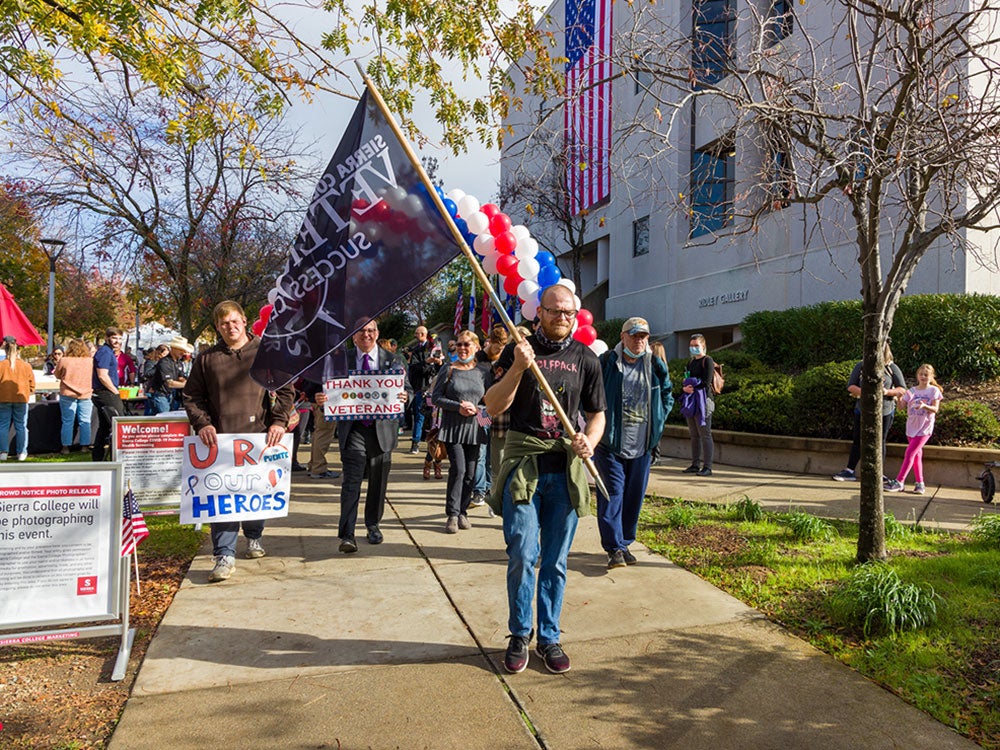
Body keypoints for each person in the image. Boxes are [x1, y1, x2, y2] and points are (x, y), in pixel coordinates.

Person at [485, 284, 606, 675]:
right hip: (525, 464)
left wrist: (590, 439)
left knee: (555, 560)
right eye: (553, 311)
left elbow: (597, 413)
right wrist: (519, 366)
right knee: (523, 552)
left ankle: (549, 638)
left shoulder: (586, 358)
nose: (561, 318)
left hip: (564, 470)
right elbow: (493, 405)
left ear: (576, 314)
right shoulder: (518, 351)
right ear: (539, 313)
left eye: (568, 312)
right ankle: (520, 633)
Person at [183, 300, 295, 583]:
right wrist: (202, 422)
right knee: (222, 500)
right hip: (219, 442)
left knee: (255, 493)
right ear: (218, 327)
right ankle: (224, 554)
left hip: (258, 437)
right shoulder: (206, 359)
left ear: (244, 321)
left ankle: (254, 536)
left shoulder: (266, 352)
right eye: (223, 323)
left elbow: (285, 390)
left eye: (234, 321)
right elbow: (191, 396)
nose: (230, 327)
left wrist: (278, 421)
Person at [595, 317, 674, 570]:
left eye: (643, 336)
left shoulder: (654, 364)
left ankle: (625, 542)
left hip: (642, 445)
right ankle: (613, 548)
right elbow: (591, 392)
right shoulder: (607, 362)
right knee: (613, 494)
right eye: (634, 335)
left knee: (633, 496)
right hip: (610, 443)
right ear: (623, 337)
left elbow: (667, 393)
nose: (639, 340)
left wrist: (660, 419)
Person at [334, 317, 410, 553]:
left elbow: (407, 389)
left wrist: (406, 397)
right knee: (351, 482)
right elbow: (327, 387)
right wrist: (323, 399)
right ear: (353, 336)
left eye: (370, 330)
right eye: (360, 331)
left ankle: (373, 524)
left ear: (377, 333)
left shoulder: (393, 359)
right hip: (353, 428)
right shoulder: (341, 359)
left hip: (382, 430)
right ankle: (347, 534)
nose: (366, 335)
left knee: (378, 483)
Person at [432, 329, 491, 533]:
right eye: (459, 344)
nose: (463, 348)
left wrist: (482, 417)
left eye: (467, 344)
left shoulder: (484, 372)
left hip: (475, 430)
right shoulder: (448, 369)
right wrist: (457, 407)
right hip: (453, 429)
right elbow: (435, 398)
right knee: (459, 469)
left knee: (472, 474)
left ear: (477, 347)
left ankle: (463, 511)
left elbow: (490, 402)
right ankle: (452, 514)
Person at [832, 343, 907, 482]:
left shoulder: (891, 368)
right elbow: (851, 386)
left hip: (885, 410)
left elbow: (902, 389)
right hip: (862, 409)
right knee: (858, 439)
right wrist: (867, 393)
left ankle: (878, 472)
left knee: (880, 441)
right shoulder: (861, 366)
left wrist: (886, 392)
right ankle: (850, 470)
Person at [885, 364, 943, 495]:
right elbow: (901, 407)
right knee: (916, 456)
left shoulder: (933, 391)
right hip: (911, 427)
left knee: (910, 453)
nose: (923, 376)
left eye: (926, 374)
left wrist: (924, 406)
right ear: (917, 375)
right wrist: (899, 397)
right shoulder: (912, 391)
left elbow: (935, 409)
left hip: (924, 428)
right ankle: (920, 484)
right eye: (921, 374)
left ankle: (900, 481)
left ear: (931, 377)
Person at [680, 333, 717, 477]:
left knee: (705, 434)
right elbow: (686, 379)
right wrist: (684, 388)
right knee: (694, 435)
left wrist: (693, 387)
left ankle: (707, 466)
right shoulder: (690, 362)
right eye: (691, 346)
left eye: (696, 345)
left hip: (704, 402)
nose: (693, 348)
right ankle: (695, 464)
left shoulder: (707, 360)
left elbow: (706, 382)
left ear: (703, 346)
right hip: (691, 401)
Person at [405, 325, 442, 454]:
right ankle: (415, 443)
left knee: (435, 417)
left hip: (434, 387)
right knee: (419, 415)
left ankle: (433, 445)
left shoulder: (435, 348)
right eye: (416, 333)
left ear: (424, 334)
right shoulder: (416, 351)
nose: (416, 336)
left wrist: (438, 363)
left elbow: (440, 370)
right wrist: (426, 362)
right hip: (421, 387)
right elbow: (414, 368)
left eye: (418, 333)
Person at [91, 327, 126, 461]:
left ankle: (98, 457)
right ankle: (116, 457)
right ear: (107, 338)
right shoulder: (105, 352)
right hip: (106, 393)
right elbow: (102, 375)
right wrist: (115, 392)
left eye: (119, 338)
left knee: (105, 427)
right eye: (114, 338)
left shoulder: (107, 352)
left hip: (103, 392)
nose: (117, 341)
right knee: (119, 424)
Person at [54, 338, 94, 454]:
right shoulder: (90, 361)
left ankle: (65, 447)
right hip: (86, 393)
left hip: (67, 393)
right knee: (85, 421)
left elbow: (57, 375)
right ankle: (85, 446)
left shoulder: (64, 360)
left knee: (67, 421)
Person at [0, 335, 35, 461]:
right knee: (21, 426)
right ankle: (22, 452)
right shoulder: (26, 366)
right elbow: (32, 384)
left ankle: (3, 452)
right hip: (21, 399)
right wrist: (28, 392)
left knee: (3, 426)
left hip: (4, 398)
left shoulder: (1, 365)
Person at [148, 336, 192, 414]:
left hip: (171, 395)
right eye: (181, 350)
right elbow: (169, 383)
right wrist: (188, 384)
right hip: (160, 395)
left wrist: (187, 381)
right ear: (173, 348)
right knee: (166, 419)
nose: (183, 353)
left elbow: (181, 377)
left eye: (184, 350)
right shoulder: (164, 362)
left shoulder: (178, 362)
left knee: (170, 419)